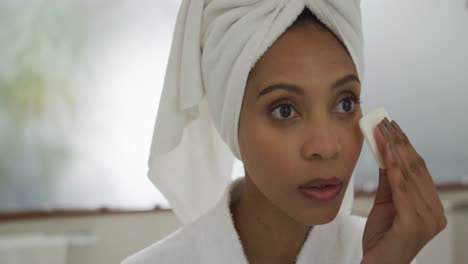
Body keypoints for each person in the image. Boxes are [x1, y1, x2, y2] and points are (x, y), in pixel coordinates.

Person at [122, 1, 446, 263]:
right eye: (284, 110)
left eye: (345, 104)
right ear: (229, 119)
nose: (326, 146)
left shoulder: (391, 253)